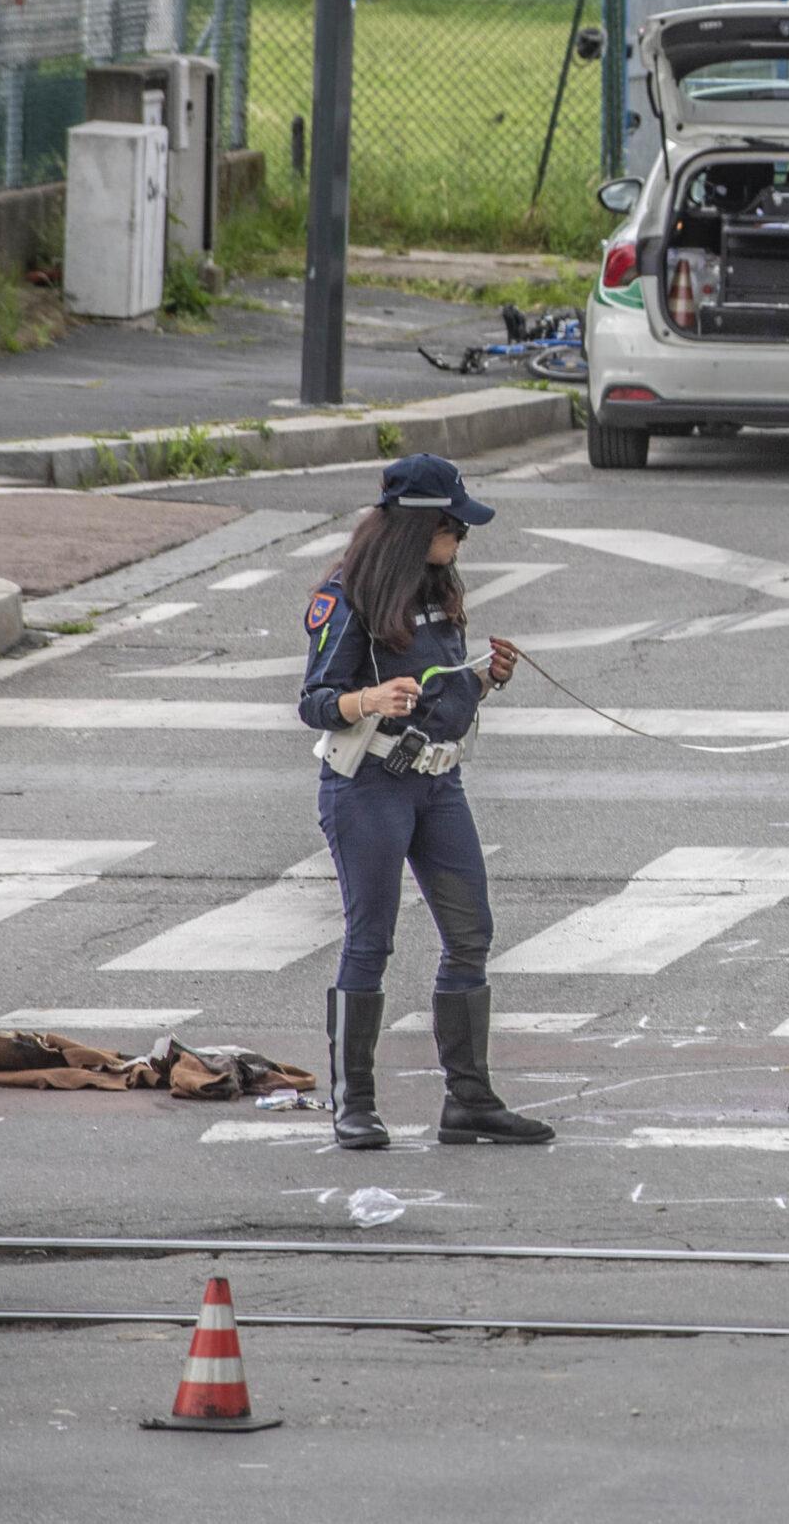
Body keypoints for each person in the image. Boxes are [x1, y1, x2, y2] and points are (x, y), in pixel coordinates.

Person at [297, 455, 555, 1152]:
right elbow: (315, 700)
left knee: (470, 931)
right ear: (418, 527)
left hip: (438, 783)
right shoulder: (347, 593)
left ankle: (468, 1100)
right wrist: (368, 700)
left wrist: (489, 679)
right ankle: (355, 1104)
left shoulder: (441, 585)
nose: (461, 540)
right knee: (370, 940)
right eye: (452, 528)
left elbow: (443, 691)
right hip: (369, 786)